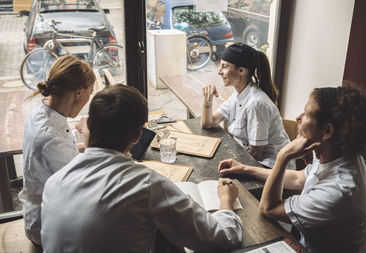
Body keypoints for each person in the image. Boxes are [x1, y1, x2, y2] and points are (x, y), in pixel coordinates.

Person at [41, 84, 243, 252]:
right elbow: (222, 238)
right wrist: (226, 201)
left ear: (89, 125)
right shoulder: (146, 185)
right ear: (137, 137)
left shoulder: (54, 182)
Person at [219, 85, 366, 253]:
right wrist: (245, 169)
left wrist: (283, 157)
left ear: (327, 131)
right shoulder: (339, 154)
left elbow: (268, 208)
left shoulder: (337, 191)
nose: (298, 117)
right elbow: (297, 179)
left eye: (306, 114)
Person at [18, 55, 95, 246]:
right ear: (79, 92)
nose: (89, 98)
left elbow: (61, 154)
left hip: (40, 211)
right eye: (90, 92)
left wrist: (87, 144)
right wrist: (88, 135)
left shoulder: (41, 113)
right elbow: (85, 186)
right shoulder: (51, 138)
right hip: (46, 227)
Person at [202, 42, 294, 169]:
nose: (219, 72)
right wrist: (208, 99)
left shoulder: (256, 104)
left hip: (272, 167)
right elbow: (208, 123)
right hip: (252, 160)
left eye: (224, 66)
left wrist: (228, 161)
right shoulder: (238, 94)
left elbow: (257, 154)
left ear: (241, 70)